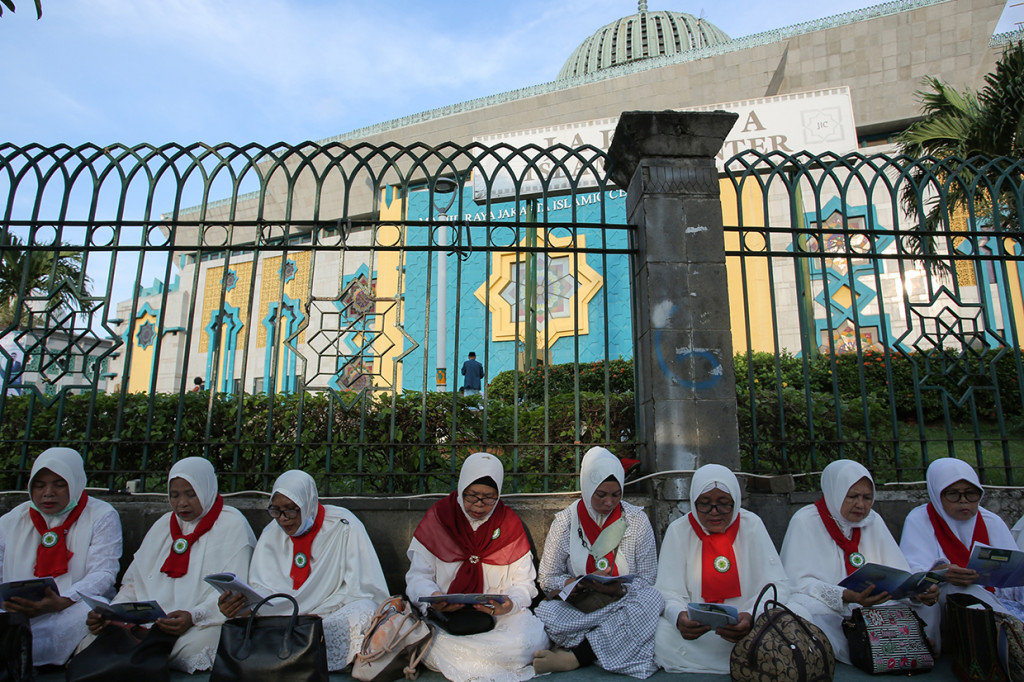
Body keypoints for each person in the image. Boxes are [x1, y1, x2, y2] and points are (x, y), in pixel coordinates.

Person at [83, 457, 256, 673]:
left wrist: (193, 616)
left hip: (200, 623)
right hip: (150, 623)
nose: (182, 503)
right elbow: (133, 582)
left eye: (190, 494)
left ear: (207, 488)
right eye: (174, 495)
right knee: (88, 638)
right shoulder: (163, 525)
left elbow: (234, 591)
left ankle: (143, 652)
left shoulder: (232, 524)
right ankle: (144, 645)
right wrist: (116, 612)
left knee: (198, 645)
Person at [218, 470, 389, 671]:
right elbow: (261, 589)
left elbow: (361, 587)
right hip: (281, 619)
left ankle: (301, 656)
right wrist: (242, 606)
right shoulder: (270, 534)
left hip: (327, 614)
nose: (283, 518)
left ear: (307, 503)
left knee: (365, 610)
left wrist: (320, 609)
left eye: (291, 509)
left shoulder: (342, 524)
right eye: (276, 510)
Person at [405, 452, 549, 682]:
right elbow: (417, 576)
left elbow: (523, 582)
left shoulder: (508, 523)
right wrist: (434, 597)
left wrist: (510, 604)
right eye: (472, 496)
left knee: (531, 638)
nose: (480, 505)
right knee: (436, 642)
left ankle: (472, 660)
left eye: (489, 498)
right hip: (445, 618)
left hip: (497, 617)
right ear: (461, 488)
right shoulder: (439, 517)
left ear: (499, 494)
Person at [780, 459, 938, 664]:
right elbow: (797, 582)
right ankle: (858, 650)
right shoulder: (806, 520)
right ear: (834, 491)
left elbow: (899, 573)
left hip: (875, 603)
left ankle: (913, 647)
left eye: (867, 497)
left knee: (927, 605)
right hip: (833, 606)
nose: (861, 505)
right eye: (852, 496)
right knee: (797, 608)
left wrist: (918, 591)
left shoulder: (873, 521)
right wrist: (845, 595)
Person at [532, 446, 664, 678]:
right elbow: (547, 577)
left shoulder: (636, 520)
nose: (609, 502)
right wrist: (572, 584)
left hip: (622, 602)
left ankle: (576, 656)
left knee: (652, 599)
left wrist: (620, 588)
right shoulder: (565, 522)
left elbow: (647, 578)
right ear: (587, 488)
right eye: (601, 494)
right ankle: (615, 645)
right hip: (584, 607)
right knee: (547, 613)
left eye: (616, 494)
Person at [654, 463, 791, 675]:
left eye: (724, 504)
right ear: (693, 502)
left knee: (798, 613)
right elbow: (666, 590)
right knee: (661, 632)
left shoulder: (752, 525)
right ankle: (747, 660)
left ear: (735, 502)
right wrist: (679, 616)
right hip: (699, 635)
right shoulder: (679, 531)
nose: (714, 512)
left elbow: (777, 585)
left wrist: (751, 616)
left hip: (748, 629)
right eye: (705, 504)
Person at [0, 447, 122, 666]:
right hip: (17, 611)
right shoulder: (12, 520)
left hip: (67, 608)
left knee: (94, 609)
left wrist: (62, 601)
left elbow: (104, 572)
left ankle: (22, 654)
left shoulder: (102, 515)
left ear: (75, 482)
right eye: (39, 485)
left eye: (59, 484)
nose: (48, 493)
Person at [900, 457, 1024, 648]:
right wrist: (942, 572)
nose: (963, 500)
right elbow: (912, 574)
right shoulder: (919, 519)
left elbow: (1013, 577)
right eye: (953, 494)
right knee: (963, 589)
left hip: (996, 601)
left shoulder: (992, 522)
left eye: (971, 493)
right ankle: (1010, 633)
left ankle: (1009, 629)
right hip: (944, 603)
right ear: (937, 495)